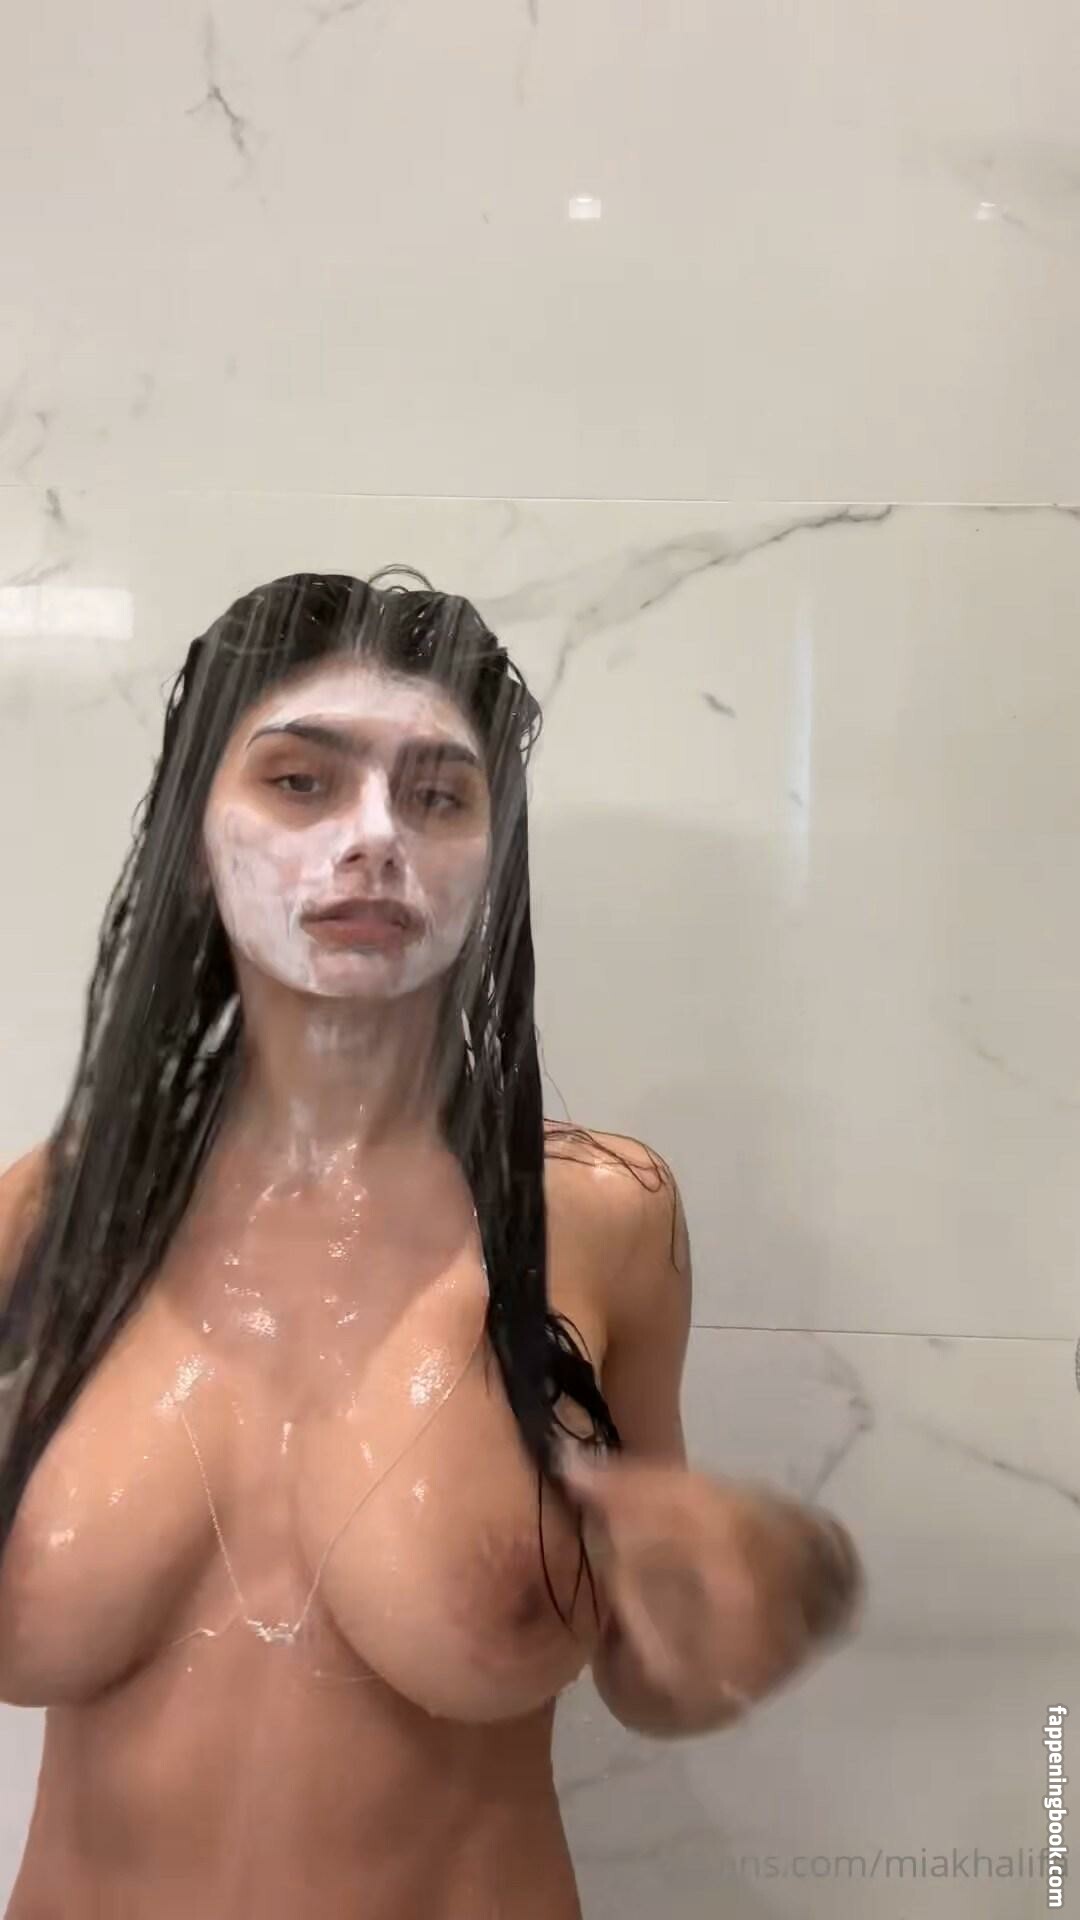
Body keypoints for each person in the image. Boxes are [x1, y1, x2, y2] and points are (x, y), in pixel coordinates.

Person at [0, 573, 862, 1919]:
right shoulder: (46, 1219)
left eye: (438, 795)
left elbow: (654, 1677)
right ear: (191, 837)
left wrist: (756, 1599)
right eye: (301, 782)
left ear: (490, 859)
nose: (373, 839)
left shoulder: (603, 1216)